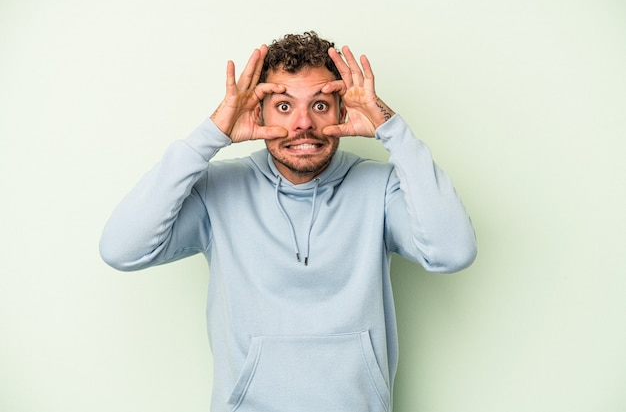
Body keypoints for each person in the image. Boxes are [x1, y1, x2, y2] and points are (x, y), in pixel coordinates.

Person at [100, 31, 477, 412]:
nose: (302, 124)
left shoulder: (380, 187)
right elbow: (122, 249)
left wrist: (391, 129)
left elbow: (452, 253)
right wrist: (211, 136)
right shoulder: (217, 188)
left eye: (319, 105)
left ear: (343, 111)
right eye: (283, 106)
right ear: (258, 112)